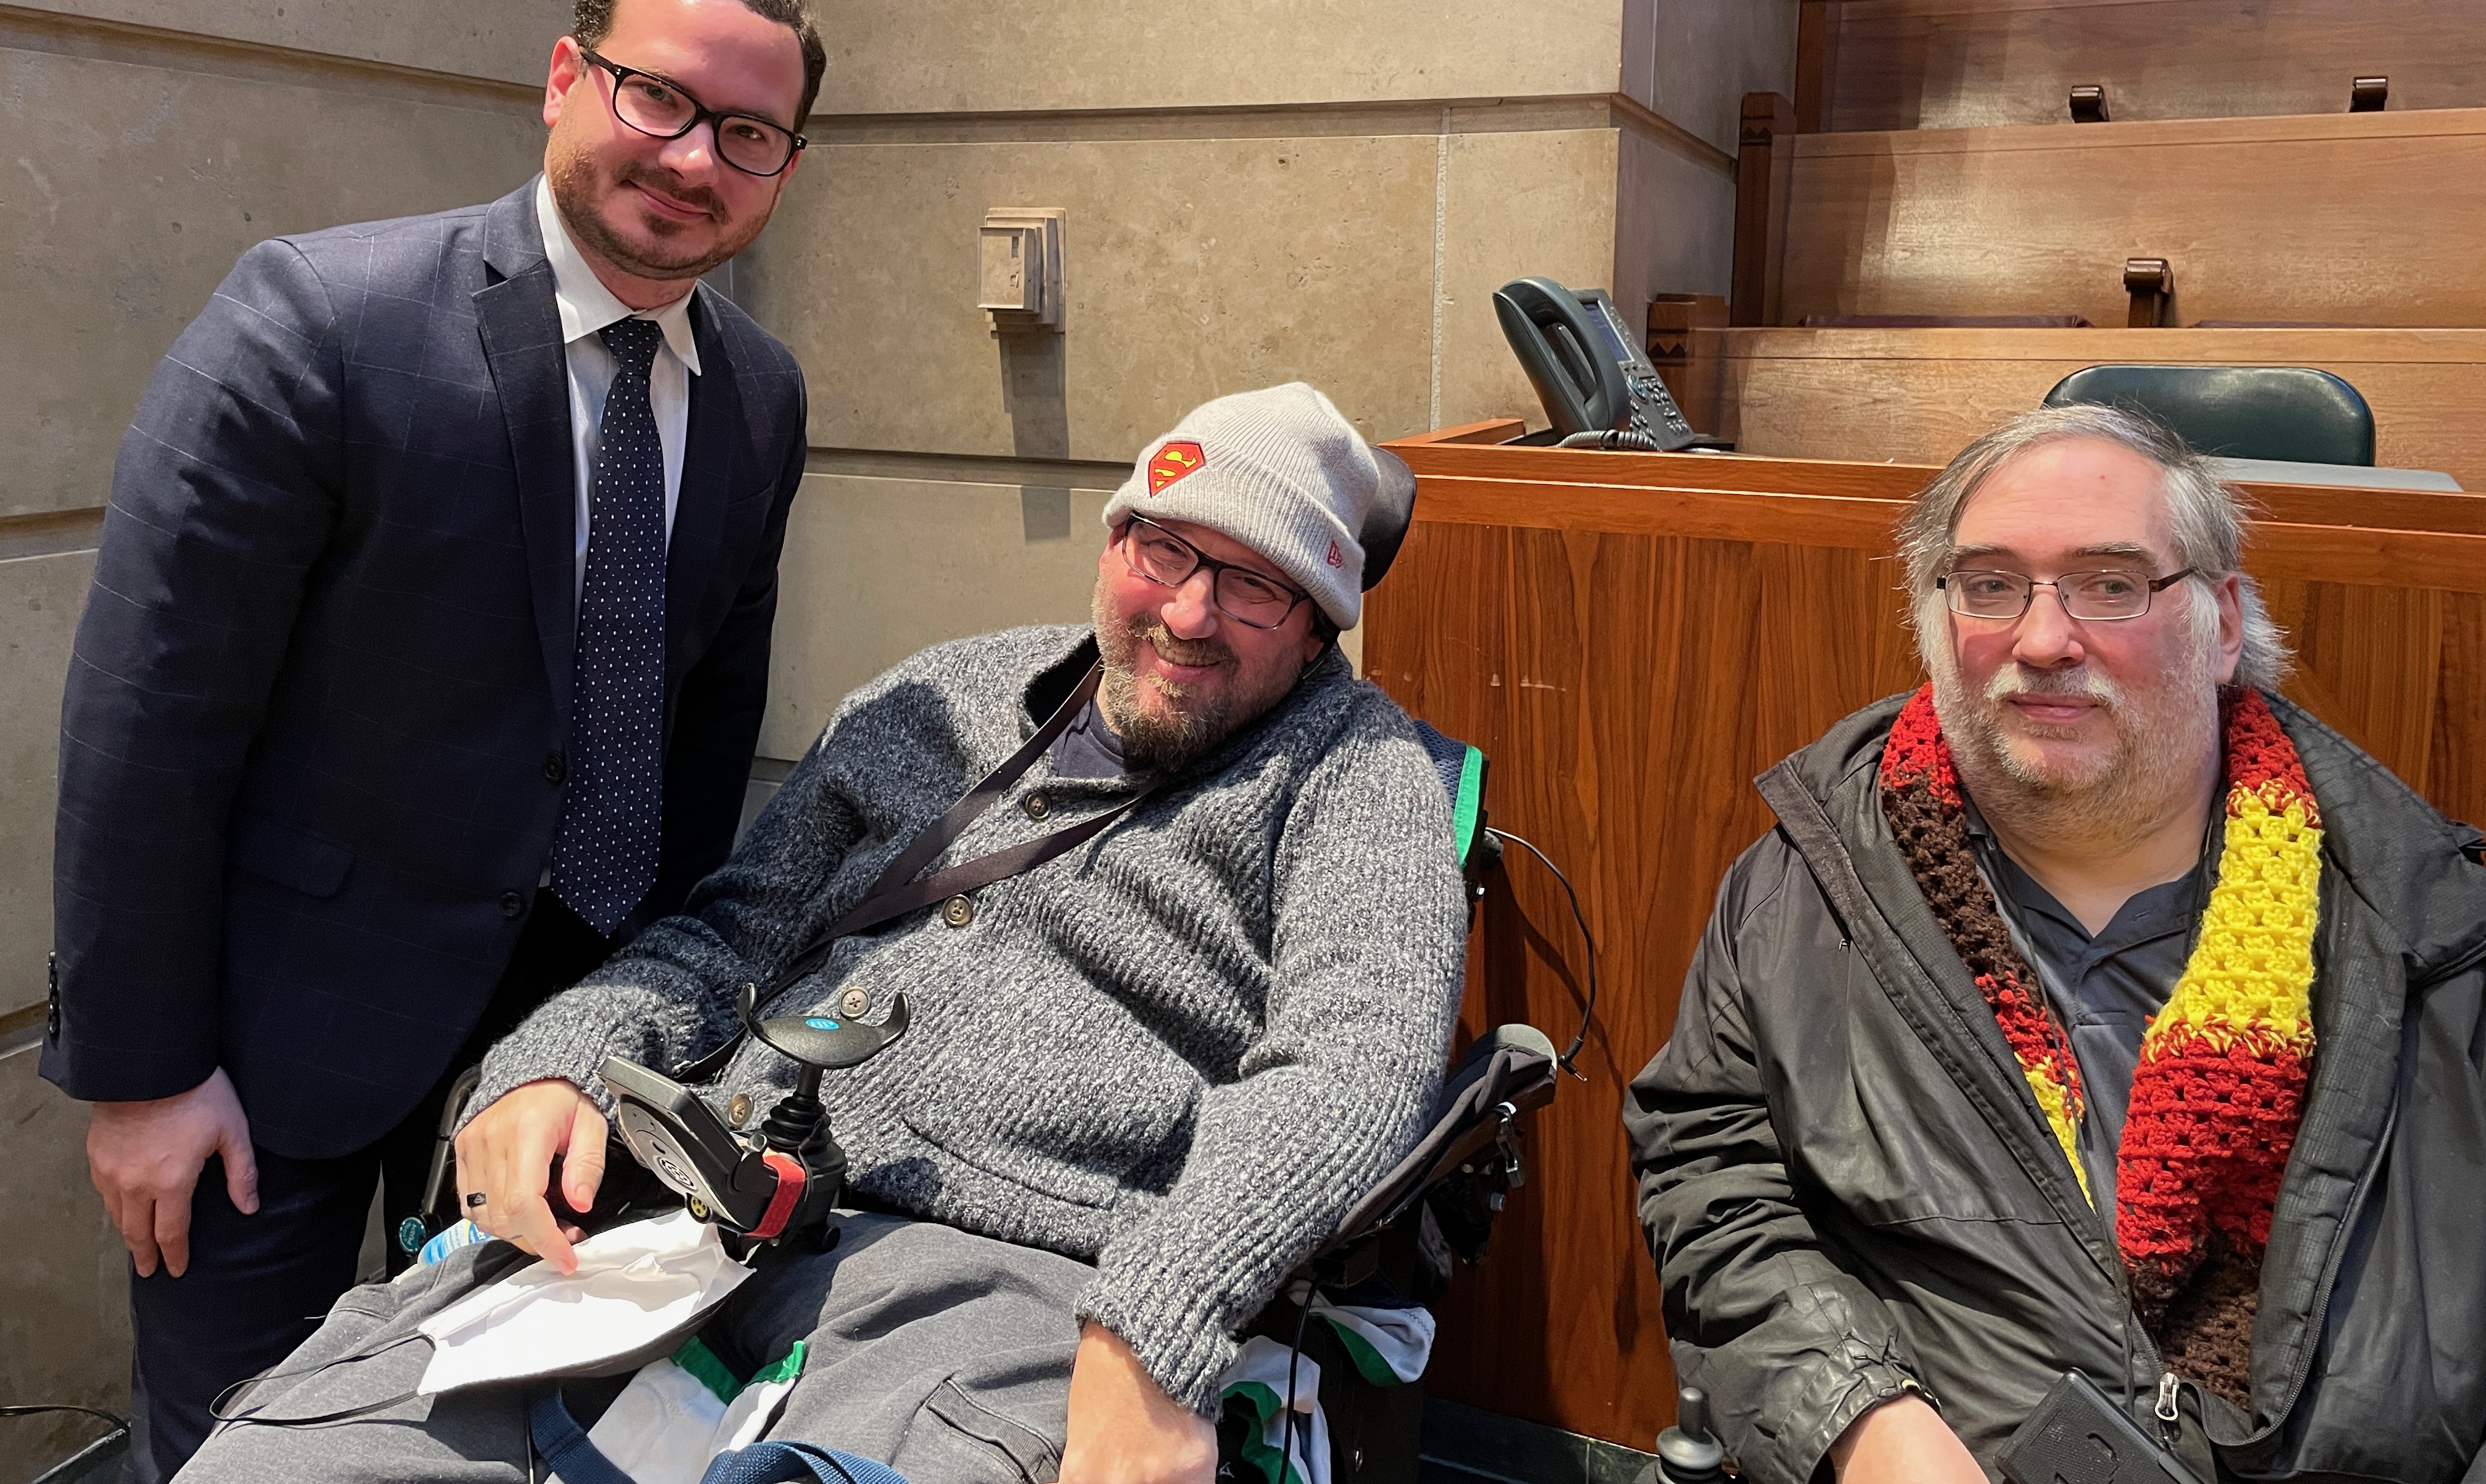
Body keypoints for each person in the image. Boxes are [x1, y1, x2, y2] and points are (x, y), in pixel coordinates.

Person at [177, 382, 1470, 1484]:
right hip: (685, 1205)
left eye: (1252, 587)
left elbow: (1351, 1073)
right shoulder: (940, 698)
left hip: (1001, 1281)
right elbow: (731, 929)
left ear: (1317, 630)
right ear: (1115, 539)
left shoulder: (1359, 780)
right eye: (1164, 552)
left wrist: (1156, 1326)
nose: (1185, 613)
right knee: (290, 1449)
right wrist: (559, 1058)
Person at [43, 0, 822, 1483]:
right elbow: (150, 718)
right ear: (563, 78)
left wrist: (658, 1036)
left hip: (567, 1049)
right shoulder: (319, 324)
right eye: (658, 99)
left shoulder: (762, 393)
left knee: (504, 1439)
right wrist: (141, 1074)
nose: (693, 161)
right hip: (270, 1054)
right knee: (241, 1451)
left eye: (748, 133)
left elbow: (704, 729)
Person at [1626, 403, 2486, 1484]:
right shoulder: (1803, 888)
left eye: (2111, 584)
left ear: (2222, 623)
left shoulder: (2433, 931)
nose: (2042, 640)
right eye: (1991, 584)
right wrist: (1859, 1419)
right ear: (1939, 619)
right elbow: (1713, 1175)